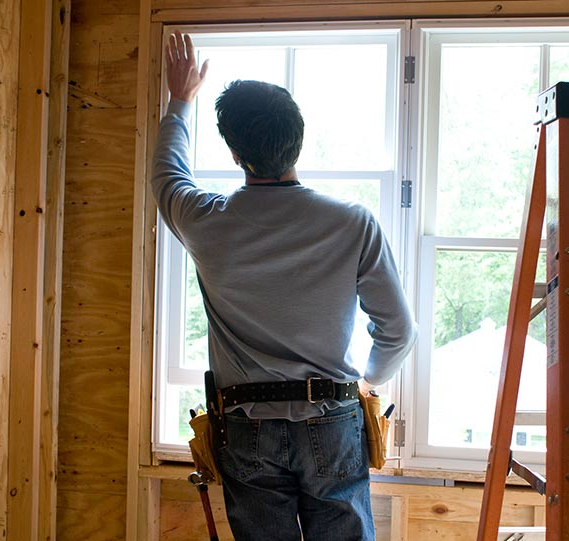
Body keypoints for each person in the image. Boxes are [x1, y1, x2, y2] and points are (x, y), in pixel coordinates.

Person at [152, 32, 416, 541]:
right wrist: (369, 381)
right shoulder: (352, 223)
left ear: (234, 153)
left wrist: (180, 100)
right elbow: (398, 331)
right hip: (332, 418)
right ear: (298, 138)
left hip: (246, 426)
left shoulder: (207, 221)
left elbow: (167, 174)